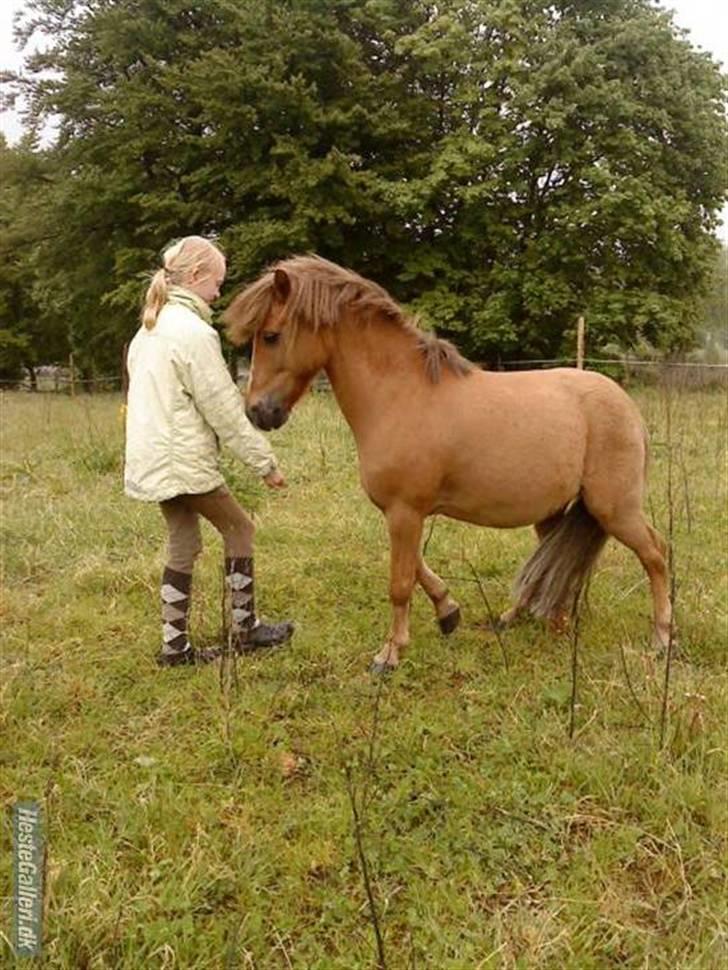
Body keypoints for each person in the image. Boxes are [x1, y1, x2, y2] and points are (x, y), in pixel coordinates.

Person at [124, 235, 294, 666]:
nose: (219, 292)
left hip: (154, 462)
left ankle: (174, 648)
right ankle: (246, 629)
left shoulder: (149, 329)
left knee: (183, 543)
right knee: (241, 530)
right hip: (182, 462)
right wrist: (264, 463)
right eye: (216, 282)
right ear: (196, 276)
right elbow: (223, 410)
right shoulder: (193, 333)